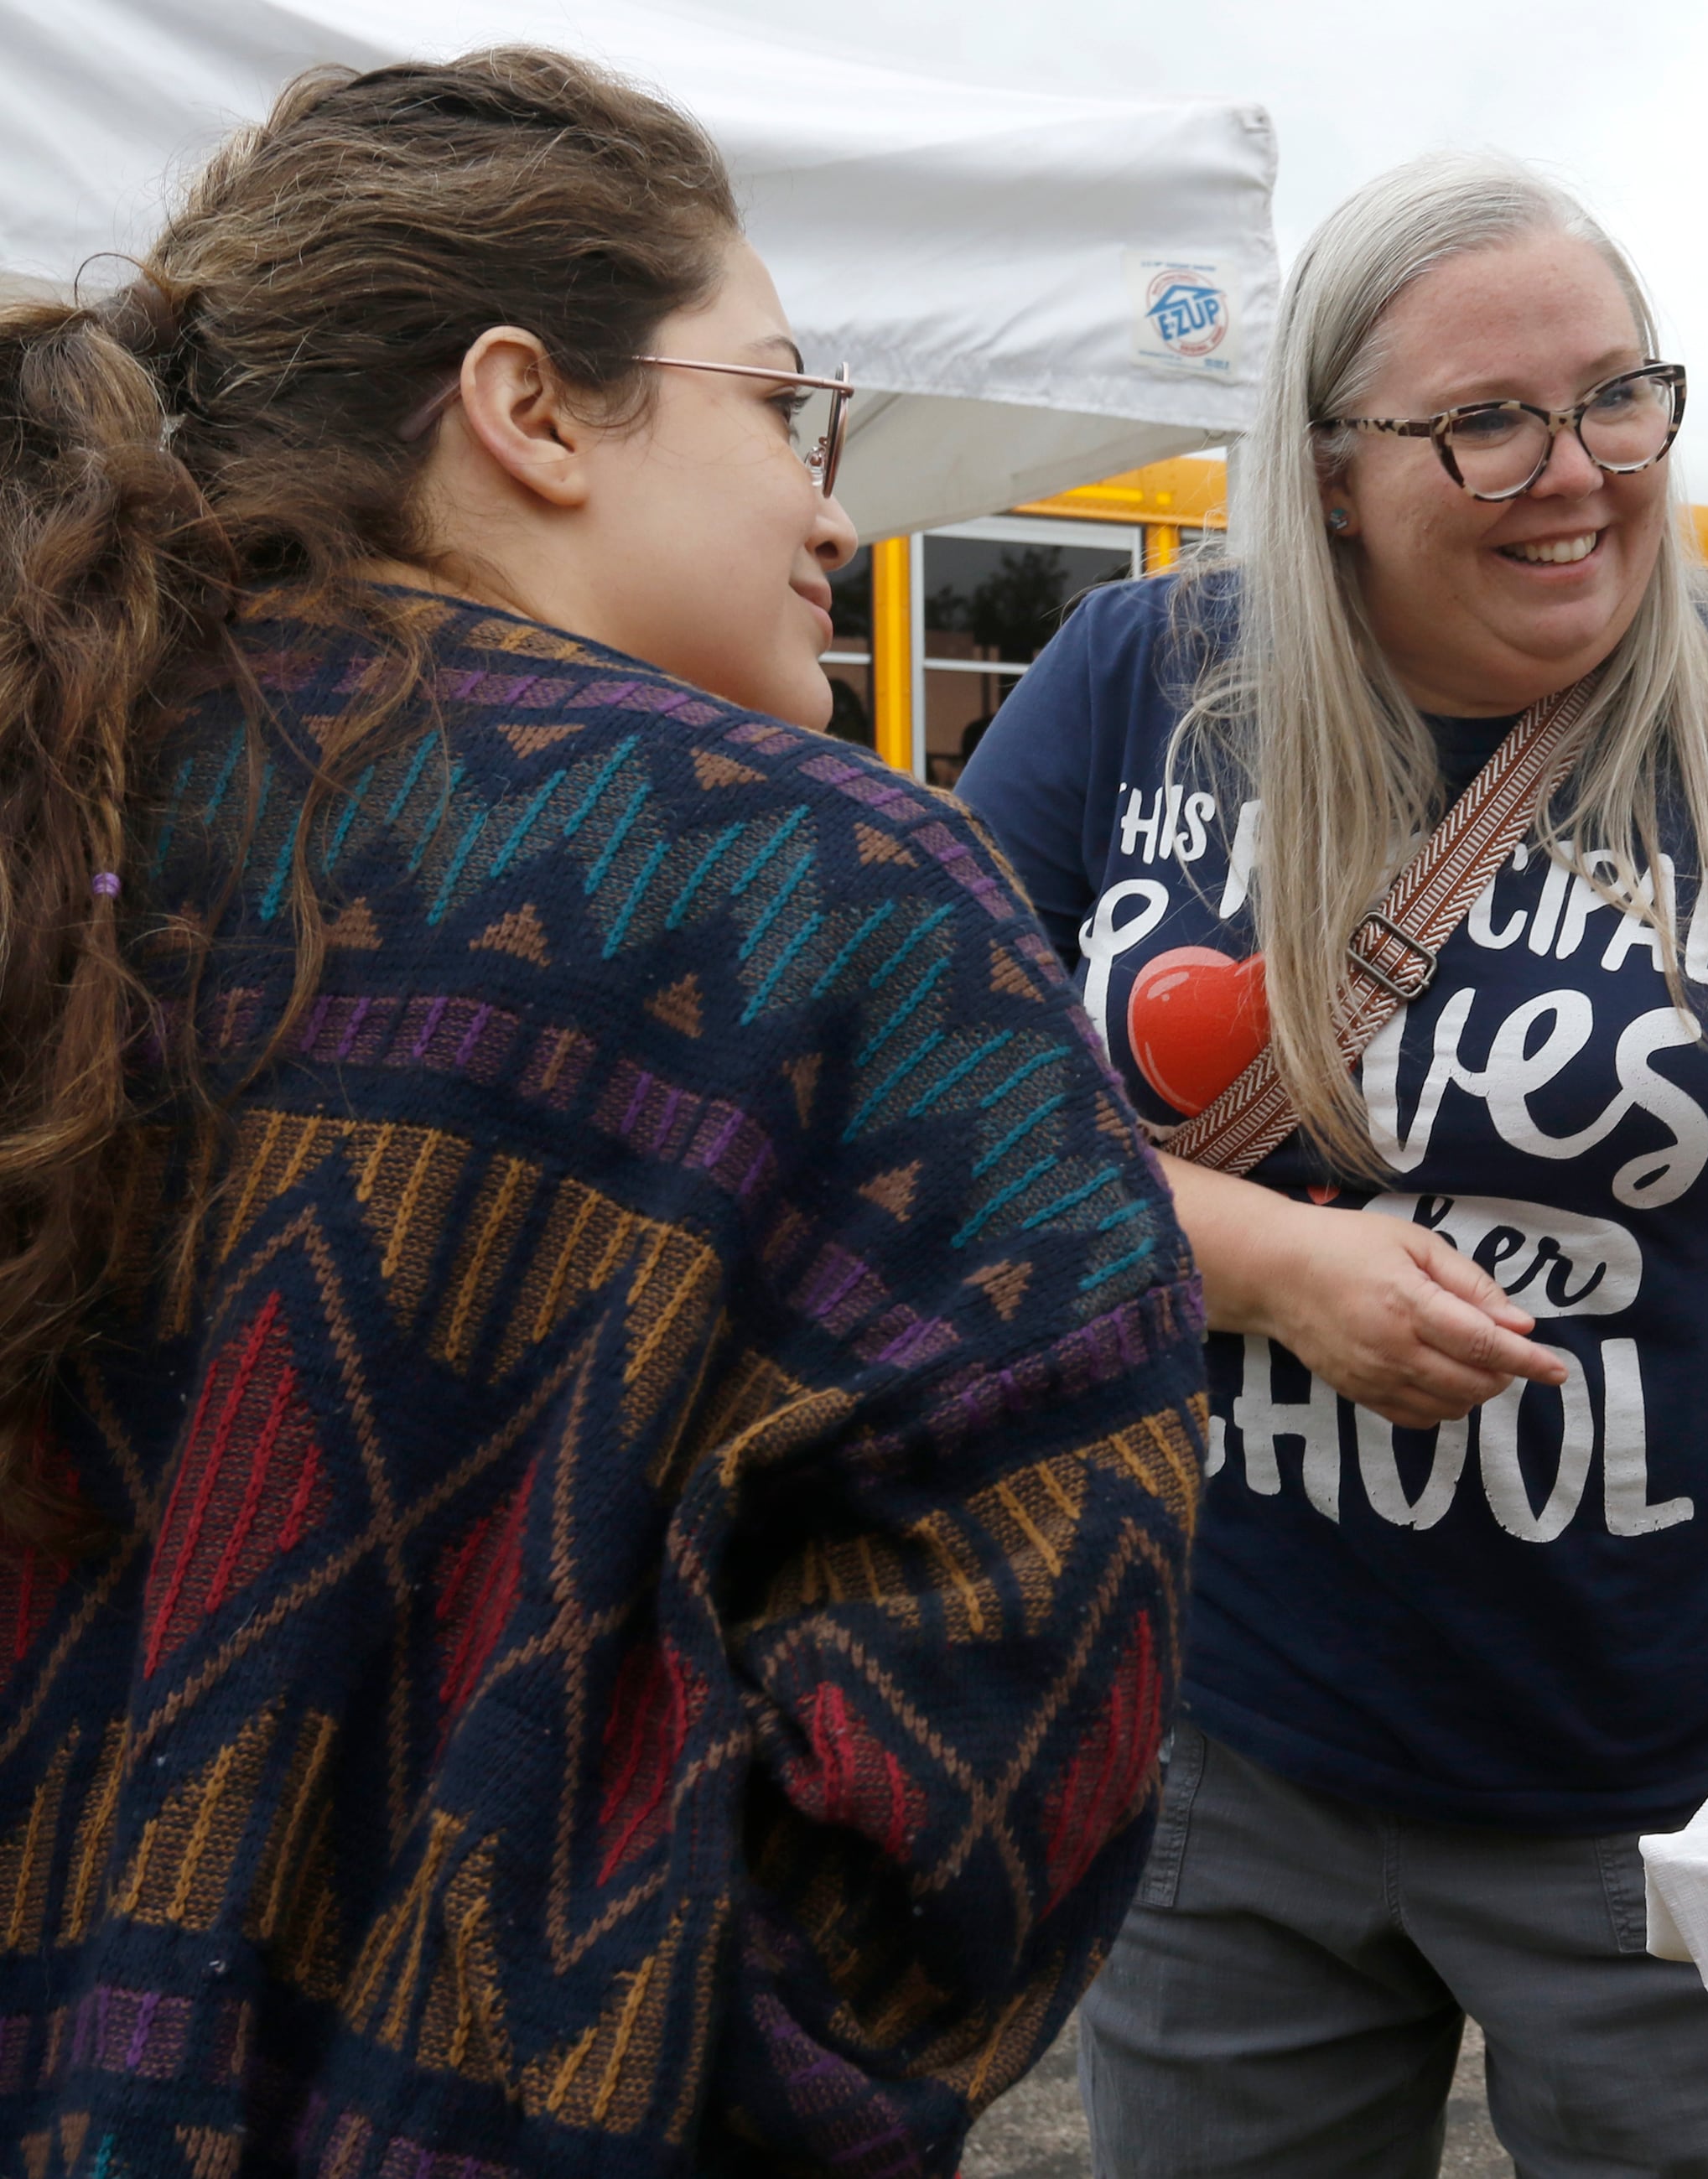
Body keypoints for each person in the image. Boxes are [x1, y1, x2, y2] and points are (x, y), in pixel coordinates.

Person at [0, 49, 1200, 2176]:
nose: (834, 502)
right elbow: (1025, 1740)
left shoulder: (58, 795)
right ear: (529, 408)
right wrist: (603, 2062)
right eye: (780, 404)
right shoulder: (839, 902)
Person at [958, 152, 1708, 2176]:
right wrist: (1271, 1265)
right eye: (1487, 422)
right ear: (1333, 465)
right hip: (1231, 1750)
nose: (1580, 469)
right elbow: (941, 1108)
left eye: (1620, 394)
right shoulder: (1136, 690)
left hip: (1687, 1773)